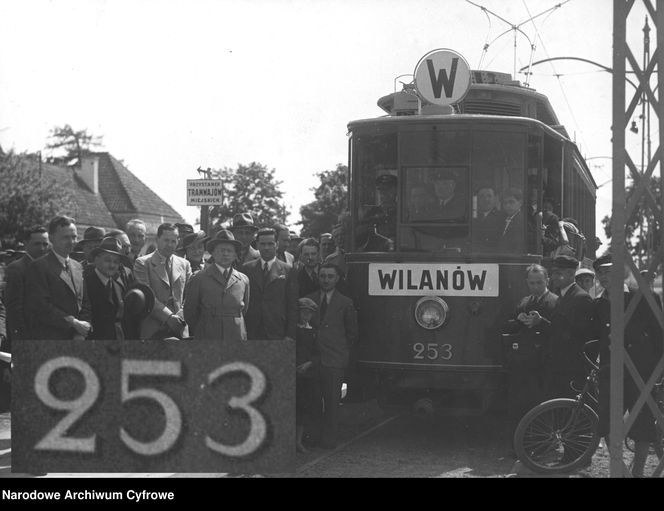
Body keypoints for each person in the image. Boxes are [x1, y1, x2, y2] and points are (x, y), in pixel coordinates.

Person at [592, 254, 663, 477]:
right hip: (610, 373)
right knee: (606, 423)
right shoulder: (597, 304)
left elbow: (659, 336)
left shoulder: (644, 297)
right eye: (600, 272)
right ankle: (620, 468)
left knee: (643, 426)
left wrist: (659, 371)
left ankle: (638, 472)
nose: (604, 277)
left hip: (642, 373)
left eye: (609, 271)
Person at [502, 264, 559, 432]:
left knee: (540, 405)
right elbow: (510, 327)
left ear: (547, 280)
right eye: (532, 283)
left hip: (543, 364)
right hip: (523, 362)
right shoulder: (524, 301)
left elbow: (559, 332)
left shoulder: (555, 302)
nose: (535, 287)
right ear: (527, 282)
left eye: (539, 283)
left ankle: (541, 444)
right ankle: (522, 443)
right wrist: (518, 321)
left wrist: (541, 322)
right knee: (520, 405)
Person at [306, 263, 358, 449]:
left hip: (334, 359)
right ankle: (313, 436)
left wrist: (341, 352)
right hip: (313, 359)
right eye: (322, 276)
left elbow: (351, 333)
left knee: (332, 401)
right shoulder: (308, 299)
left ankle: (330, 439)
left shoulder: (346, 303)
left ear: (337, 279)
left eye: (330, 276)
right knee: (313, 400)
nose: (326, 280)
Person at [26, 216, 91, 340]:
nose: (72, 241)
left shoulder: (78, 266)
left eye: (74, 237)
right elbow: (41, 305)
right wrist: (73, 322)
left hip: (77, 339)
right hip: (49, 339)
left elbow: (85, 303)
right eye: (66, 237)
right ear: (51, 239)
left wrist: (80, 332)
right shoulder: (39, 266)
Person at [183, 230, 249, 341]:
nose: (225, 254)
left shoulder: (243, 280)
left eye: (229, 251)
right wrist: (203, 329)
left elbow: (244, 309)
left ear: (235, 255)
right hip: (208, 336)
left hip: (236, 335)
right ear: (213, 253)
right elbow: (190, 313)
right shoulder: (199, 278)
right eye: (221, 250)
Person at [545, 254, 594, 399]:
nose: (553, 277)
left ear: (571, 274)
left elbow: (582, 336)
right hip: (561, 366)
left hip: (572, 368)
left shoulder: (581, 298)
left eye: (558, 273)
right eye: (553, 273)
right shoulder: (563, 296)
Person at [133, 223, 192, 340]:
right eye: (166, 240)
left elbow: (190, 294)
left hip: (179, 328)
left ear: (178, 241)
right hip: (153, 328)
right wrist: (169, 317)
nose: (169, 245)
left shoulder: (185, 264)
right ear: (157, 239)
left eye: (173, 241)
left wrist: (180, 315)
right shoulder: (143, 263)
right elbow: (147, 296)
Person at [243, 228, 297, 341]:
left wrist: (290, 334)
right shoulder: (247, 269)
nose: (266, 248)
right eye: (262, 244)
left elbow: (292, 305)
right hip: (252, 331)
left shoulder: (288, 270)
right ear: (257, 245)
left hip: (277, 331)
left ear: (277, 244)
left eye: (270, 244)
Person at [5, 225, 49, 342]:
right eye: (37, 244)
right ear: (26, 243)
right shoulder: (17, 269)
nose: (42, 248)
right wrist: (22, 338)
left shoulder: (49, 268)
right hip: (27, 336)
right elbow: (14, 309)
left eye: (45, 244)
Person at [80, 237, 131, 340]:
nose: (112, 265)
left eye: (116, 262)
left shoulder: (118, 285)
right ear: (96, 259)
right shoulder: (84, 283)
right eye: (107, 260)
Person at [295, 297, 319, 453]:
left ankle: (298, 440)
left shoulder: (314, 332)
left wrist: (309, 364)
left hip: (307, 375)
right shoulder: (293, 329)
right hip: (293, 373)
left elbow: (317, 352)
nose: (306, 316)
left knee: (304, 408)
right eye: (303, 312)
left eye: (309, 313)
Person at [498, 188, 525, 253]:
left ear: (520, 203)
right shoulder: (501, 219)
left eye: (511, 202)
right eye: (505, 203)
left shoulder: (523, 222)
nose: (508, 205)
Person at [373, 174, 398, 239]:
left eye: (387, 190)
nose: (383, 194)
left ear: (395, 191)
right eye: (381, 191)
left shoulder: (402, 213)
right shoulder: (372, 212)